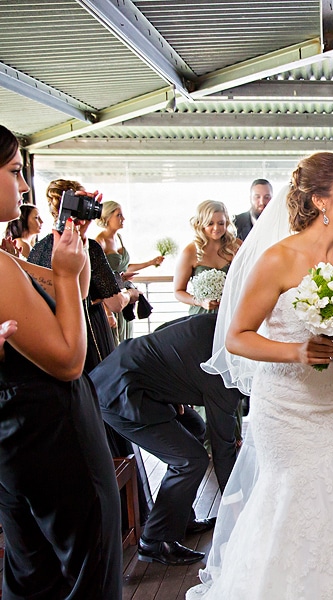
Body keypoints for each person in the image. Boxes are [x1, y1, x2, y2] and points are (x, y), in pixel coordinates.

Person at [187, 152, 333, 599]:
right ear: (321, 200)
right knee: (295, 498)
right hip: (285, 409)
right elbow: (237, 337)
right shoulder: (278, 259)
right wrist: (295, 350)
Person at [0, 124, 121, 599]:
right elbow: (70, 358)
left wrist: (73, 245)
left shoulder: (8, 260)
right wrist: (68, 275)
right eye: (13, 171)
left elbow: (69, 290)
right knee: (91, 566)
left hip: (16, 442)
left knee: (34, 575)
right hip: (50, 432)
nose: (24, 185)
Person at [91, 313, 241, 567]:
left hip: (127, 373)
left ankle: (180, 518)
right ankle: (154, 541)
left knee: (194, 426)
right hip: (121, 393)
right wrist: (234, 508)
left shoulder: (220, 321)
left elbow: (165, 331)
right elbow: (223, 448)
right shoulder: (225, 377)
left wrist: (172, 388)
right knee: (190, 460)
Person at [29, 179, 129, 371]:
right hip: (89, 330)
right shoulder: (89, 247)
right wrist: (128, 294)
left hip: (50, 333)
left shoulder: (38, 249)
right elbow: (115, 303)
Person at [94, 200, 164, 342]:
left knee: (126, 337)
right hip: (110, 298)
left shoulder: (119, 238)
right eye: (119, 215)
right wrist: (107, 312)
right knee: (114, 340)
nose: (123, 219)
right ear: (107, 218)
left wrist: (151, 263)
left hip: (124, 296)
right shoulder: (99, 242)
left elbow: (123, 267)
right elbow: (96, 280)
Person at [174, 200, 241, 314]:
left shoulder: (237, 246)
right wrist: (200, 302)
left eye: (221, 223)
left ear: (226, 223)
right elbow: (178, 292)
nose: (216, 228)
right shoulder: (190, 252)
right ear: (201, 224)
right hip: (201, 315)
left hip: (231, 314)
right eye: (210, 223)